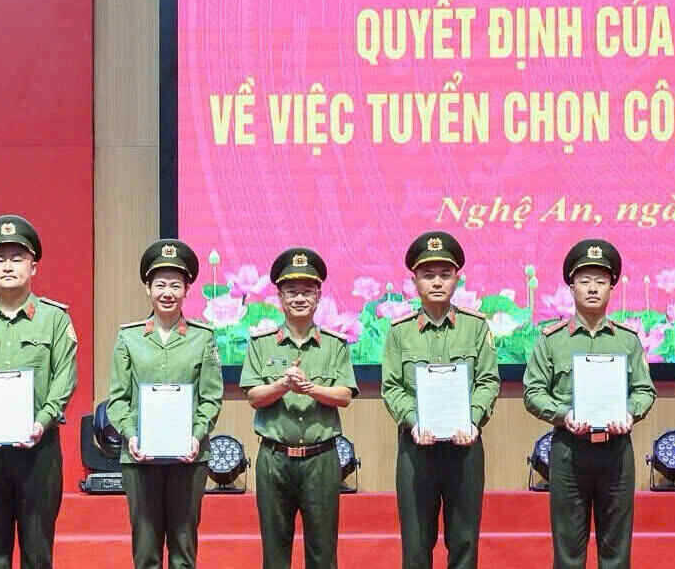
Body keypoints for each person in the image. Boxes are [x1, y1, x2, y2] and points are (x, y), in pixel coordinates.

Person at [0, 215, 79, 569]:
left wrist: (42, 420)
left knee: (37, 553)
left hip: (39, 451)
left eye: (17, 258)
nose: (8, 266)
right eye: (0, 258)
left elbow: (64, 377)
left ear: (33, 266)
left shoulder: (54, 319)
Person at [522, 239, 655, 569]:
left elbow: (645, 391)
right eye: (584, 281)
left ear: (612, 287)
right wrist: (564, 415)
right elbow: (533, 392)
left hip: (616, 450)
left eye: (600, 281)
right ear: (571, 287)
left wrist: (630, 412)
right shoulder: (552, 340)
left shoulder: (628, 339)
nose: (592, 289)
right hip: (569, 450)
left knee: (615, 551)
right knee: (568, 551)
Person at [381, 231, 498, 569]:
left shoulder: (475, 327)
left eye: (445, 275)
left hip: (465, 447)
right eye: (428, 275)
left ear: (457, 279)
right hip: (417, 449)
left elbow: (488, 380)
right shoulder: (399, 331)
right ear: (414, 280)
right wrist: (414, 421)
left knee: (463, 543)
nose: (436, 282)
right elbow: (391, 387)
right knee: (416, 545)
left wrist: (472, 420)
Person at [106, 239, 223, 569]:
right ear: (148, 289)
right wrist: (130, 434)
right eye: (160, 284)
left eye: (175, 284)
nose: (167, 292)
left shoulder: (203, 337)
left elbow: (211, 398)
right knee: (145, 552)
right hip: (139, 456)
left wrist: (196, 436)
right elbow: (117, 399)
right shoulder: (128, 337)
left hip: (189, 455)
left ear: (187, 290)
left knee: (184, 550)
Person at [239, 247, 357, 569]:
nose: (300, 298)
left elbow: (345, 395)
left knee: (322, 551)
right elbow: (253, 396)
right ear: (279, 296)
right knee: (275, 551)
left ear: (319, 296)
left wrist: (310, 389)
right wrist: (282, 386)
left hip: (321, 459)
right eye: (292, 292)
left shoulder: (334, 344)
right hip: (274, 458)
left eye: (308, 292)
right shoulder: (261, 343)